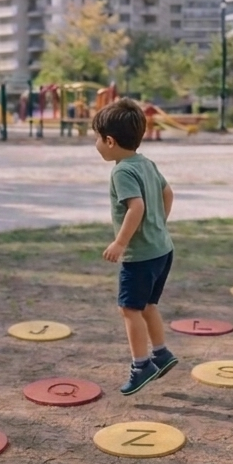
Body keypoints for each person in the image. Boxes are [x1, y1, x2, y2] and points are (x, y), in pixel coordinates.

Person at [93, 98, 179, 396]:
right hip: (162, 250)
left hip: (140, 256)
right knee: (148, 306)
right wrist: (160, 224)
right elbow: (168, 193)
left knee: (129, 310)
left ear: (110, 140)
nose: (96, 144)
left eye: (97, 138)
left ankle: (141, 366)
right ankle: (161, 354)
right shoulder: (146, 163)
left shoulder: (122, 171)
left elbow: (136, 207)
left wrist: (120, 242)